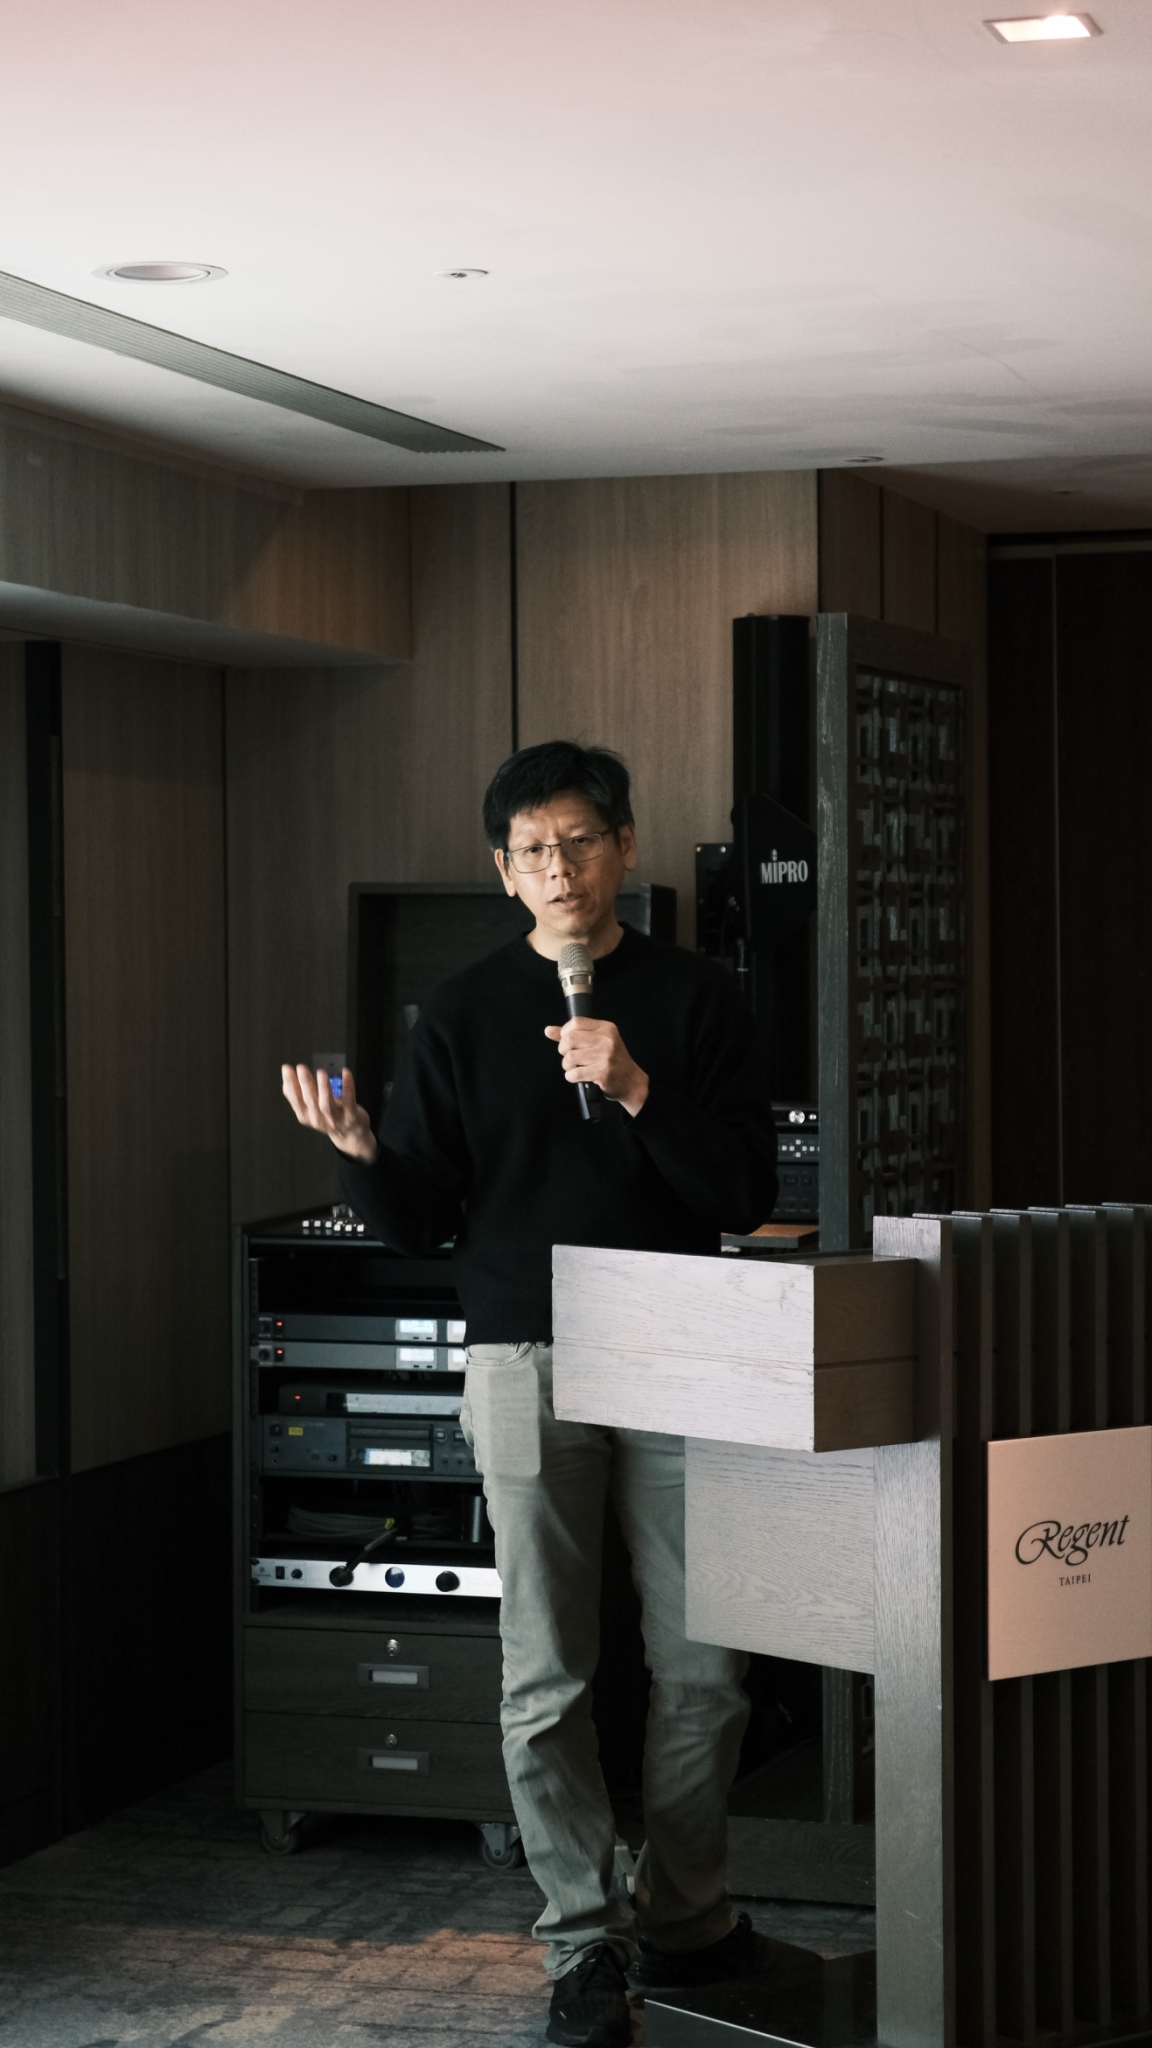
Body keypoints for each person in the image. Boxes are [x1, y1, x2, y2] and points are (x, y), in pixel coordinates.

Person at [282, 740, 779, 2048]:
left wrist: (636, 1086)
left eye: (580, 841)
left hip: (679, 1347)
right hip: (525, 1352)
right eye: (533, 852)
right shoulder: (457, 1015)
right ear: (506, 874)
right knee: (548, 1672)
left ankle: (687, 1918)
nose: (560, 869)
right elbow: (421, 1221)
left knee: (710, 1671)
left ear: (625, 847)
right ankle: (583, 1943)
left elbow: (744, 1194)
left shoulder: (700, 998)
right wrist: (361, 1153)